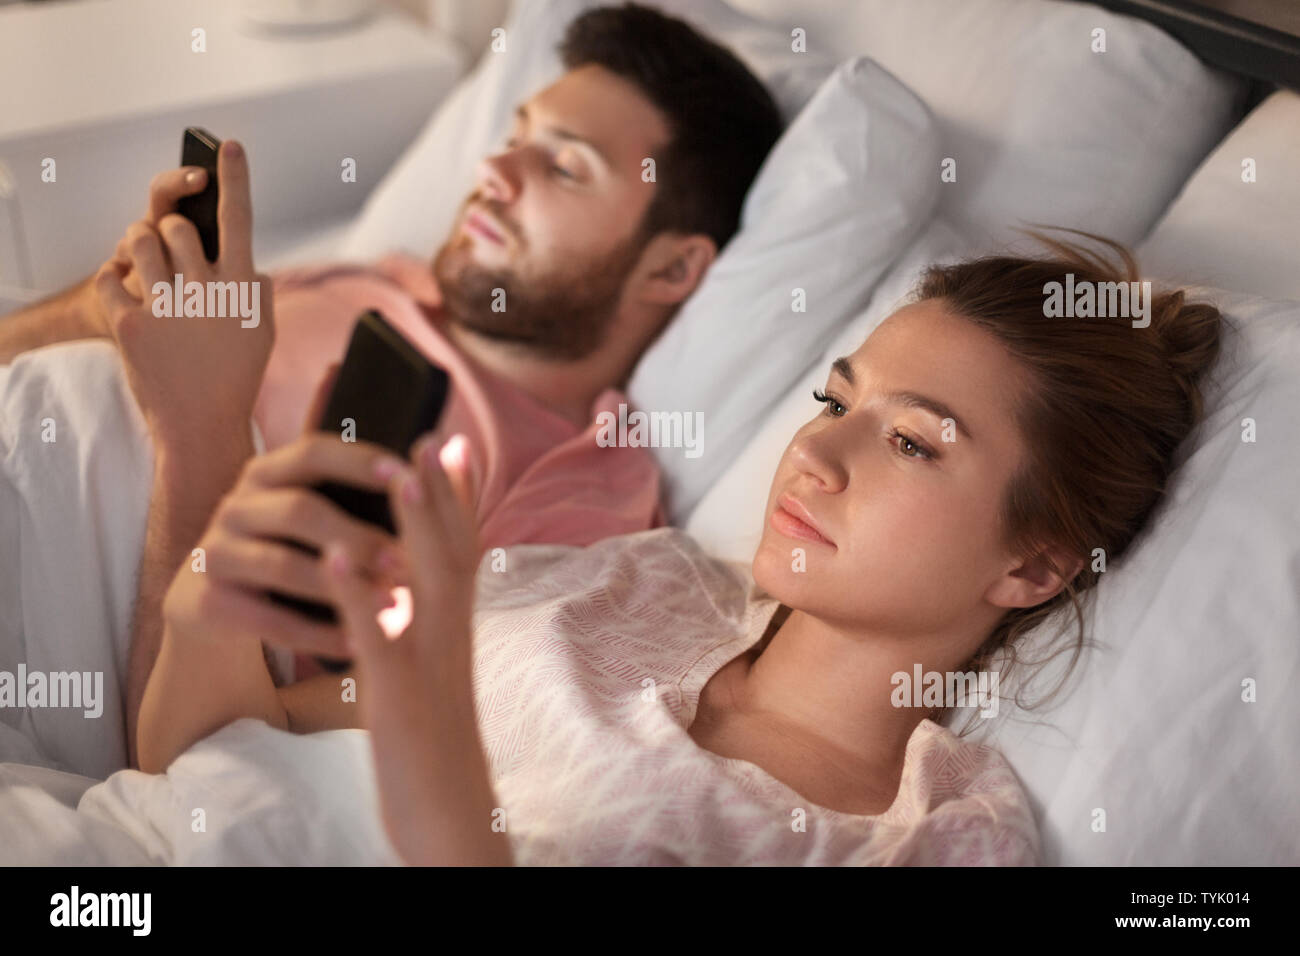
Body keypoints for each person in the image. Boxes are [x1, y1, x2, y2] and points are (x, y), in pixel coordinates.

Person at [141, 231, 1225, 864]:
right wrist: (211, 590)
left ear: (1033, 565)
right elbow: (209, 764)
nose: (815, 452)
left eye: (909, 441)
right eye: (831, 398)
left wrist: (425, 713)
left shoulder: (930, 837)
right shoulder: (629, 577)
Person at [0, 4, 783, 769]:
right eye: (514, 138)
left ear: (673, 267)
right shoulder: (371, 276)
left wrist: (203, 427)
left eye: (563, 166)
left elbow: (215, 760)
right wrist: (106, 309)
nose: (494, 170)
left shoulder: (587, 490)